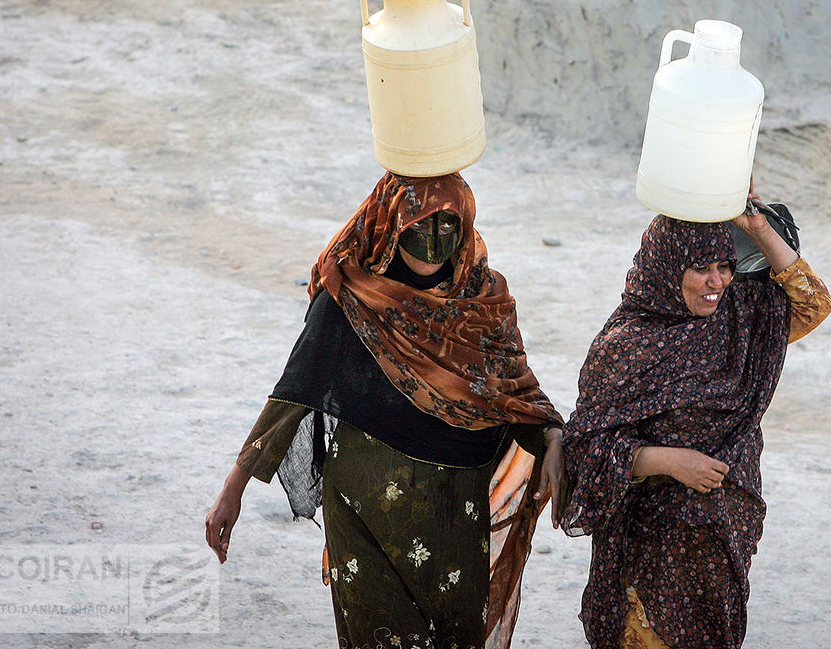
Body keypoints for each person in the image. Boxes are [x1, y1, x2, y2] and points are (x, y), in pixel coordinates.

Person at [205, 172, 565, 649]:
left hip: (457, 518)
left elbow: (514, 396)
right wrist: (234, 488)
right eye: (420, 225)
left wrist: (553, 438)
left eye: (448, 226)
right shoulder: (354, 297)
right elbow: (295, 392)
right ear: (392, 224)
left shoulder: (483, 302)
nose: (435, 243)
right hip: (366, 513)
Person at [559, 190, 831, 649]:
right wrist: (669, 461)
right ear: (668, 266)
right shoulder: (625, 346)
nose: (717, 281)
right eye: (701, 267)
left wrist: (759, 229)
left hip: (722, 544)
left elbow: (814, 304)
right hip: (650, 556)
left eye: (725, 266)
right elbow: (584, 450)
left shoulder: (742, 324)